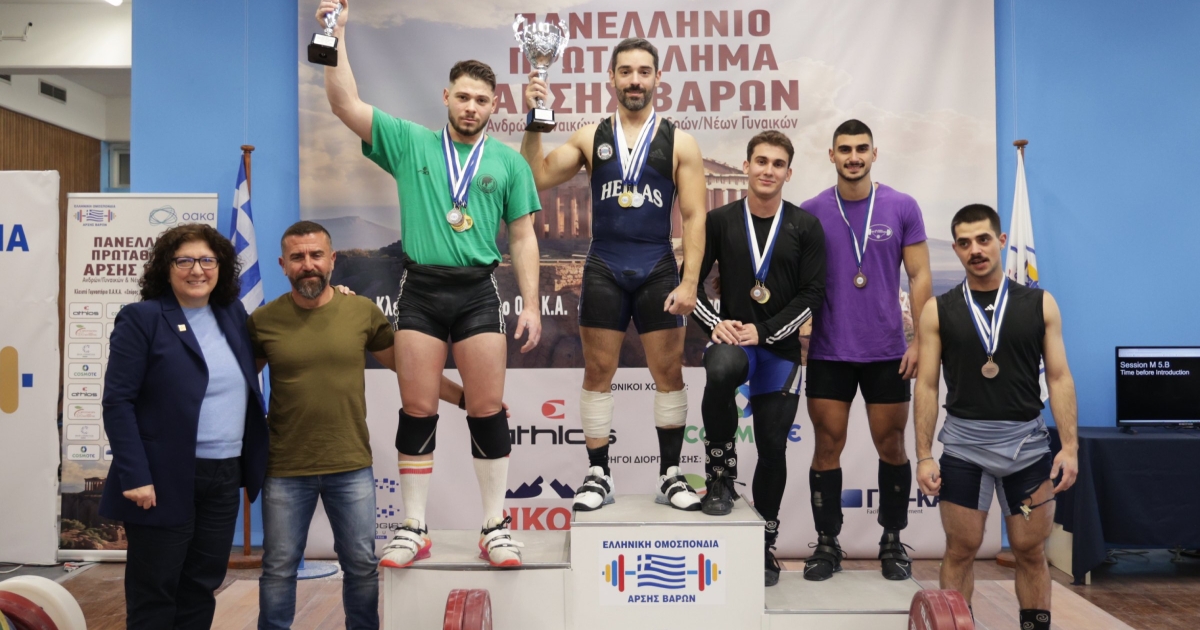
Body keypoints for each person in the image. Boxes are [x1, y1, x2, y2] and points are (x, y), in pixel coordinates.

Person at [317, 0, 543, 570]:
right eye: (463, 96)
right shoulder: (411, 142)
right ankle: (414, 527)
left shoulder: (508, 163)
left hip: (478, 292)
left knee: (486, 409)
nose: (471, 107)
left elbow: (523, 238)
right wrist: (337, 35)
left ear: (495, 105)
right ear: (446, 97)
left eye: (481, 100)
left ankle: (495, 526)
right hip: (419, 289)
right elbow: (344, 103)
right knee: (417, 408)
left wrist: (532, 304)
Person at [520, 37, 707, 511]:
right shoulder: (590, 136)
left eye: (644, 72)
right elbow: (536, 176)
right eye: (626, 72)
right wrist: (535, 122)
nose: (635, 81)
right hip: (604, 265)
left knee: (669, 372)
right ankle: (598, 474)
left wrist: (689, 281)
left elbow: (694, 216)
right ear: (612, 78)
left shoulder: (680, 142)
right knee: (598, 372)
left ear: (658, 78)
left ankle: (671, 475)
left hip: (657, 267)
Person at [914, 204, 1078, 630]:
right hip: (964, 448)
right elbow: (926, 386)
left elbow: (1059, 377)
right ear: (956, 249)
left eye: (984, 239)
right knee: (960, 549)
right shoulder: (938, 310)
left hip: (1027, 448)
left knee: (1030, 550)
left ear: (1001, 241)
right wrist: (924, 455)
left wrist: (1070, 447)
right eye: (965, 243)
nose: (976, 250)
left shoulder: (1040, 303)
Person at [101, 223, 268, 629]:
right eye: (185, 261)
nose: (197, 270)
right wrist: (135, 474)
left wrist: (338, 296)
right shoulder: (141, 318)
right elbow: (117, 401)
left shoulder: (232, 313)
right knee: (156, 589)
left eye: (207, 260)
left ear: (221, 267)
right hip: (162, 477)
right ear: (166, 267)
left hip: (224, 476)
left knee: (201, 584)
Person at [690, 131, 826, 586]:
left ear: (789, 172)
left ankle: (765, 543)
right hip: (734, 341)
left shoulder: (805, 226)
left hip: (778, 350)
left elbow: (812, 295)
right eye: (761, 161)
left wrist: (764, 331)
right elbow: (690, 283)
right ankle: (720, 475)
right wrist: (716, 324)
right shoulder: (719, 220)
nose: (769, 170)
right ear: (746, 166)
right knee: (720, 368)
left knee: (772, 447)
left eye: (778, 163)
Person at [798, 119, 932, 581]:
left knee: (892, 445)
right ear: (831, 155)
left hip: (887, 351)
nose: (853, 157)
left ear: (875, 154)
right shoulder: (811, 211)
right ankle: (827, 543)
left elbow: (919, 276)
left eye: (861, 149)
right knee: (826, 445)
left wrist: (920, 341)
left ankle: (892, 540)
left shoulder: (901, 206)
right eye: (844, 149)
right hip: (828, 350)